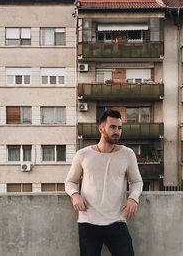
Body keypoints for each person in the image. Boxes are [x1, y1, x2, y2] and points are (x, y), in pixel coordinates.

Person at [65, 109, 143, 256]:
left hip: (117, 221)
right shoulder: (83, 154)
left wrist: (133, 198)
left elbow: (137, 182)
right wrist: (75, 194)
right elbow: (70, 181)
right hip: (88, 222)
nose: (117, 131)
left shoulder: (127, 154)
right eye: (112, 127)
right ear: (101, 128)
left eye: (119, 128)